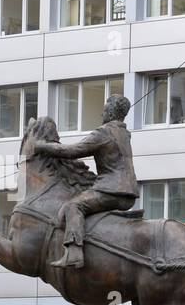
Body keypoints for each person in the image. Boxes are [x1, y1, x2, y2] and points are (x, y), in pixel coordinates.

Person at [33, 94, 138, 270]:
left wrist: (42, 146)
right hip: (129, 194)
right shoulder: (124, 133)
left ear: (111, 112)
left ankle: (74, 253)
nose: (102, 114)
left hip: (111, 190)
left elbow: (72, 151)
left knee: (72, 206)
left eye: (104, 109)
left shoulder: (104, 132)